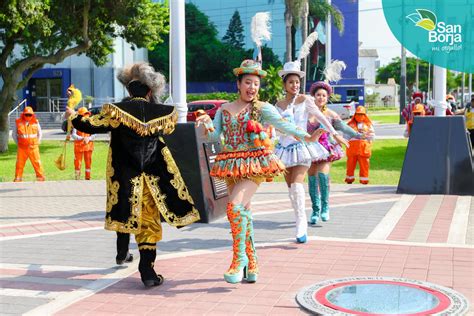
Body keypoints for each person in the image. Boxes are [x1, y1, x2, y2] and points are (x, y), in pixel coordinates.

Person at [66, 62, 200, 287]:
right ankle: (147, 270)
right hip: (153, 177)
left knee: (124, 212)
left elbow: (88, 125)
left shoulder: (114, 111)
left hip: (124, 175)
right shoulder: (165, 113)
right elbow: (170, 130)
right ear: (150, 91)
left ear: (129, 89)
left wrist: (72, 115)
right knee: (148, 222)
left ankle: (121, 253)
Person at [195, 59, 322, 284]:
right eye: (248, 82)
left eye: (256, 83)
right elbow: (214, 138)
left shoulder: (262, 108)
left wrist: (308, 137)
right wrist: (206, 124)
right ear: (238, 84)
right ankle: (252, 263)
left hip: (254, 165)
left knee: (234, 208)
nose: (252, 87)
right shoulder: (224, 109)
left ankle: (239, 259)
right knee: (243, 211)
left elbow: (285, 125)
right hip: (229, 165)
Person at [274, 61, 347, 243]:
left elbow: (323, 117)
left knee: (298, 184)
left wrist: (335, 134)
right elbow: (274, 127)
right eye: (291, 82)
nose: (295, 85)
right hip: (284, 149)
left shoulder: (306, 100)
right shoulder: (278, 104)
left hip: (303, 147)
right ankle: (298, 216)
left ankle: (301, 224)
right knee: (290, 187)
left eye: (297, 82)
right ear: (284, 84)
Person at [307, 82, 358, 226]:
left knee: (323, 176)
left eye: (324, 95)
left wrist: (357, 134)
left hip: (325, 150)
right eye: (318, 95)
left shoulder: (331, 114)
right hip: (310, 150)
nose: (321, 98)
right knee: (311, 179)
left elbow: (344, 128)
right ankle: (315, 211)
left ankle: (325, 208)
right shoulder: (306, 112)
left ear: (327, 97)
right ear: (314, 96)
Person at [12, 106, 45, 182]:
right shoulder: (18, 122)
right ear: (23, 114)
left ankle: (40, 178)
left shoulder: (36, 122)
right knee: (19, 163)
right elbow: (14, 135)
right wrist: (18, 144)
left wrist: (38, 142)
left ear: (32, 115)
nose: (28, 116)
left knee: (37, 163)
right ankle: (18, 178)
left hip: (34, 147)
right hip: (22, 148)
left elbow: (40, 133)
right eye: (26, 114)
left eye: (30, 115)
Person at [345, 106, 375, 184]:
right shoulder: (350, 124)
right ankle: (349, 179)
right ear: (355, 114)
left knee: (364, 166)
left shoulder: (368, 125)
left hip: (364, 149)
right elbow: (345, 137)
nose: (360, 116)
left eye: (362, 114)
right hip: (352, 150)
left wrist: (365, 135)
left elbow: (372, 136)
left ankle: (364, 180)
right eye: (358, 114)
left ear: (365, 115)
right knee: (350, 166)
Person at [71, 107, 96, 180]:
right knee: (77, 163)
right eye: (84, 114)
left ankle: (88, 178)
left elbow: (95, 134)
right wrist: (82, 138)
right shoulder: (76, 124)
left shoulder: (90, 123)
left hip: (88, 146)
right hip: (79, 147)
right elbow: (73, 135)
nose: (86, 116)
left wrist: (89, 138)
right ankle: (77, 178)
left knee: (88, 162)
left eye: (86, 114)